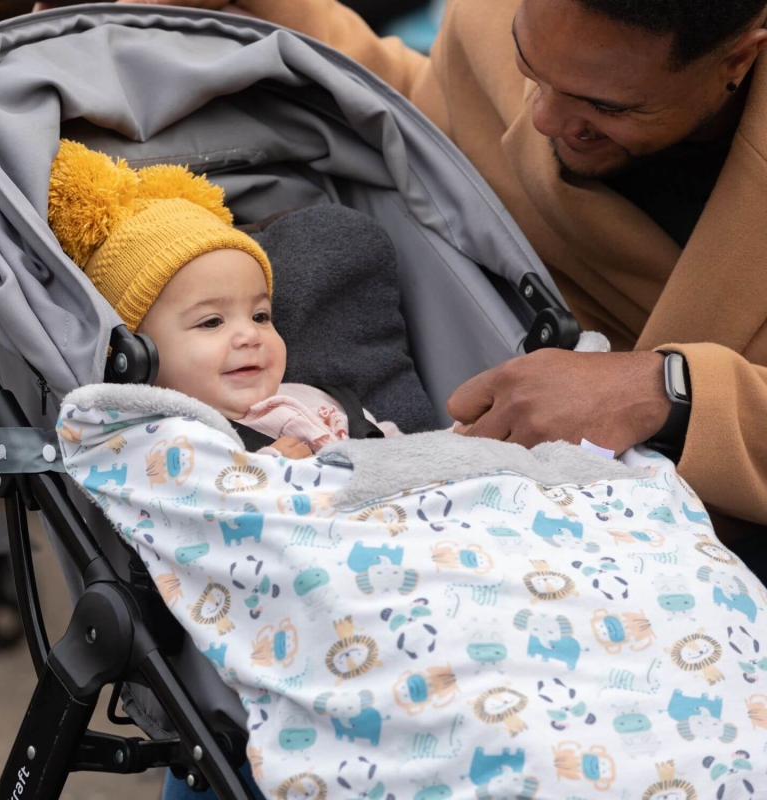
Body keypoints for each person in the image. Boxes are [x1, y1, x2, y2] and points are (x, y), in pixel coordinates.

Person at [118, 0, 767, 539]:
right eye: (529, 67)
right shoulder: (488, 18)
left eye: (610, 107)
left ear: (737, 60)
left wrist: (669, 390)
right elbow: (432, 126)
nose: (542, 118)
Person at [47, 139, 399, 460]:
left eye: (261, 316)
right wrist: (267, 472)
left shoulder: (319, 400)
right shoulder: (158, 440)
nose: (250, 335)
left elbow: (398, 455)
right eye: (212, 321)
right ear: (136, 356)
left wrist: (446, 444)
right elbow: (195, 504)